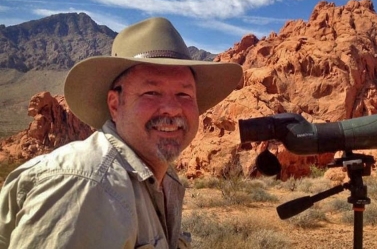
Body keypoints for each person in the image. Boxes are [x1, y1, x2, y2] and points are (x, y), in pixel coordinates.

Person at [0, 17, 243, 248]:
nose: (172, 108)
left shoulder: (160, 177)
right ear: (115, 104)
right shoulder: (87, 188)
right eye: (151, 93)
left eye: (184, 94)